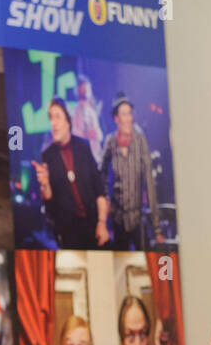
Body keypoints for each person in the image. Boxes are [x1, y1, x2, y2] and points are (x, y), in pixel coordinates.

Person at [34, 98, 108, 249]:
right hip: (68, 232)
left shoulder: (83, 146)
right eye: (50, 118)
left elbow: (99, 190)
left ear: (68, 122)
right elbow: (50, 206)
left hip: (93, 226)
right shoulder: (47, 155)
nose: (53, 123)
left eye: (57, 117)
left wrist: (102, 223)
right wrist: (45, 185)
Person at [100, 96, 159, 251]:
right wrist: (105, 197)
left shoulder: (140, 139)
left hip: (137, 219)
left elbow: (149, 181)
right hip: (118, 218)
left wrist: (156, 226)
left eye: (129, 114)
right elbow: (100, 172)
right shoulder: (110, 141)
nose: (127, 119)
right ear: (116, 119)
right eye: (123, 114)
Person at [70, 76, 104, 164]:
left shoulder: (92, 111)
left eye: (88, 88)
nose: (87, 90)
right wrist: (86, 134)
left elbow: (100, 135)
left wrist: (96, 134)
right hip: (81, 158)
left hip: (95, 157)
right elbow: (73, 133)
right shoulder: (74, 111)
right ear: (78, 90)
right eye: (84, 88)